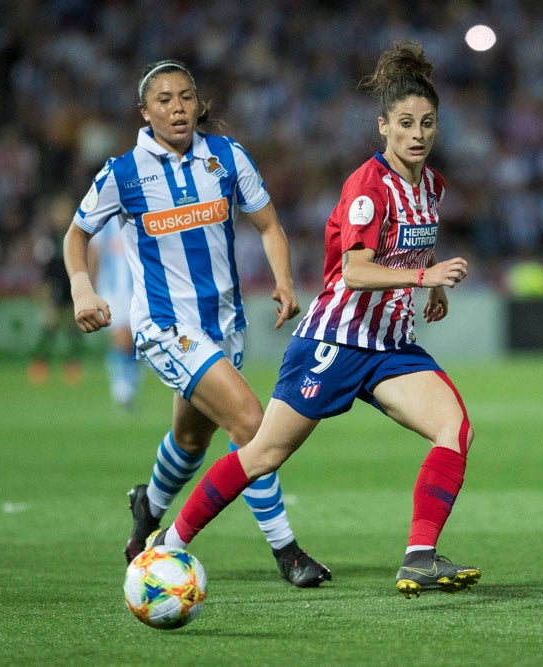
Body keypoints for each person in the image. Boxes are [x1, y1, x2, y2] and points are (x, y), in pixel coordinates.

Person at [146, 42, 481, 599]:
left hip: (392, 345)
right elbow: (354, 272)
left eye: (426, 123)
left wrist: (429, 289)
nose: (417, 133)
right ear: (383, 128)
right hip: (335, 341)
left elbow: (408, 249)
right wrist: (425, 278)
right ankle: (172, 543)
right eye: (404, 123)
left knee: (454, 429)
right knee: (262, 454)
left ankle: (420, 556)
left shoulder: (432, 186)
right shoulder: (367, 189)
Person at [62, 59, 331, 587]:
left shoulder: (227, 157)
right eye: (164, 99)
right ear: (144, 112)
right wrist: (81, 287)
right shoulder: (123, 173)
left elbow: (270, 224)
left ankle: (149, 506)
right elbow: (75, 235)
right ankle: (286, 551)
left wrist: (283, 279)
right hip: (165, 326)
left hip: (224, 324)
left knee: (189, 440)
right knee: (252, 424)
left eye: (186, 97)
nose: (178, 108)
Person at [28, 193, 85, 385]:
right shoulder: (50, 239)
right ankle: (40, 363)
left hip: (73, 285)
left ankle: (72, 365)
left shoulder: (76, 234)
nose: (61, 215)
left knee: (72, 329)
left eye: (65, 211)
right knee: (49, 327)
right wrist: (44, 286)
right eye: (58, 212)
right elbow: (45, 266)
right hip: (56, 287)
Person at [88, 217, 142, 411]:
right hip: (111, 288)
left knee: (135, 340)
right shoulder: (105, 218)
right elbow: (94, 253)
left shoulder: (139, 212)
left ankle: (129, 385)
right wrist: (89, 288)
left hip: (137, 287)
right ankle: (121, 387)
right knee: (122, 338)